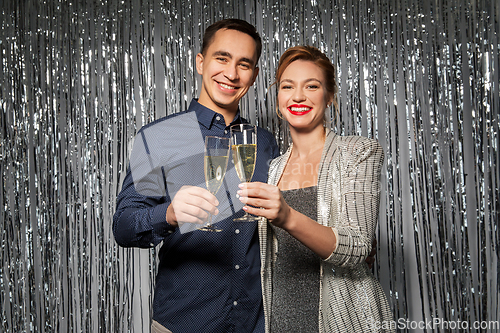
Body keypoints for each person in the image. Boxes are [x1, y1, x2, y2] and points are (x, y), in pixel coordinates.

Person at [113, 19, 279, 333]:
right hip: (185, 322)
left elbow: (284, 214)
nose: (231, 73)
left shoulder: (264, 141)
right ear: (200, 62)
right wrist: (170, 213)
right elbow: (123, 226)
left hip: (254, 323)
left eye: (244, 64)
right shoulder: (162, 136)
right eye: (222, 58)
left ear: (254, 74)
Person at [237, 46, 394, 332]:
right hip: (282, 320)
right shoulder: (271, 168)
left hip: (344, 319)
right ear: (279, 99)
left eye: (312, 86)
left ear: (329, 96)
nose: (298, 96)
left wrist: (287, 217)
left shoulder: (358, 152)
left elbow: (359, 247)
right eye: (288, 86)